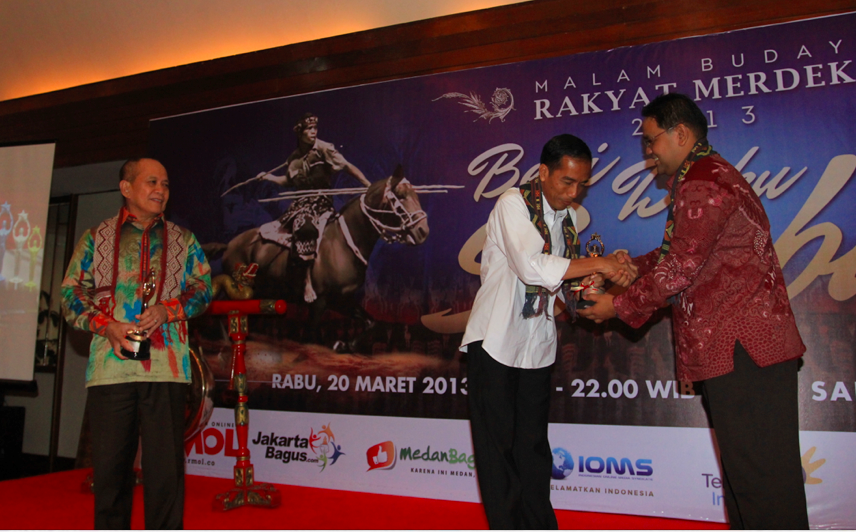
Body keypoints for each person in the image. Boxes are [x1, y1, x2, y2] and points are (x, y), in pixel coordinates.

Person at [579, 93, 809, 529]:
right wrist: (630, 267)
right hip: (743, 353)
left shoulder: (703, 181)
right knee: (749, 482)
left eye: (651, 140)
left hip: (743, 351)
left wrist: (618, 305)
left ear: (680, 134)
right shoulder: (707, 175)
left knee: (762, 486)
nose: (648, 152)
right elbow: (684, 254)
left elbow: (682, 267)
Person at [460, 134, 633, 529]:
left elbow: (569, 290)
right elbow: (532, 266)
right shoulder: (513, 203)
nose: (573, 194)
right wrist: (599, 264)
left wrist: (608, 275)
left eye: (581, 185)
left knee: (534, 447)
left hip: (536, 344)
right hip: (496, 340)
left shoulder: (567, 220)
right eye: (566, 182)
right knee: (498, 450)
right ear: (543, 172)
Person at [61, 158, 212, 529]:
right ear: (126, 188)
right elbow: (69, 295)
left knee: (165, 474)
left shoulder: (184, 239)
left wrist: (167, 310)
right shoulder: (95, 237)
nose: (161, 190)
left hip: (167, 368)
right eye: (152, 182)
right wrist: (107, 326)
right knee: (110, 473)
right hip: (111, 369)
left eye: (166, 184)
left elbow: (203, 289)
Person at [256, 113, 370, 301]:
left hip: (321, 202)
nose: (313, 132)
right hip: (300, 204)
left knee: (307, 227)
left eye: (315, 128)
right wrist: (269, 177)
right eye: (309, 129)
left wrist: (367, 184)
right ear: (300, 133)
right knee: (298, 227)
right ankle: (301, 278)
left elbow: (347, 166)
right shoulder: (294, 158)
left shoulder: (324, 149)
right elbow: (288, 181)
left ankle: (313, 279)